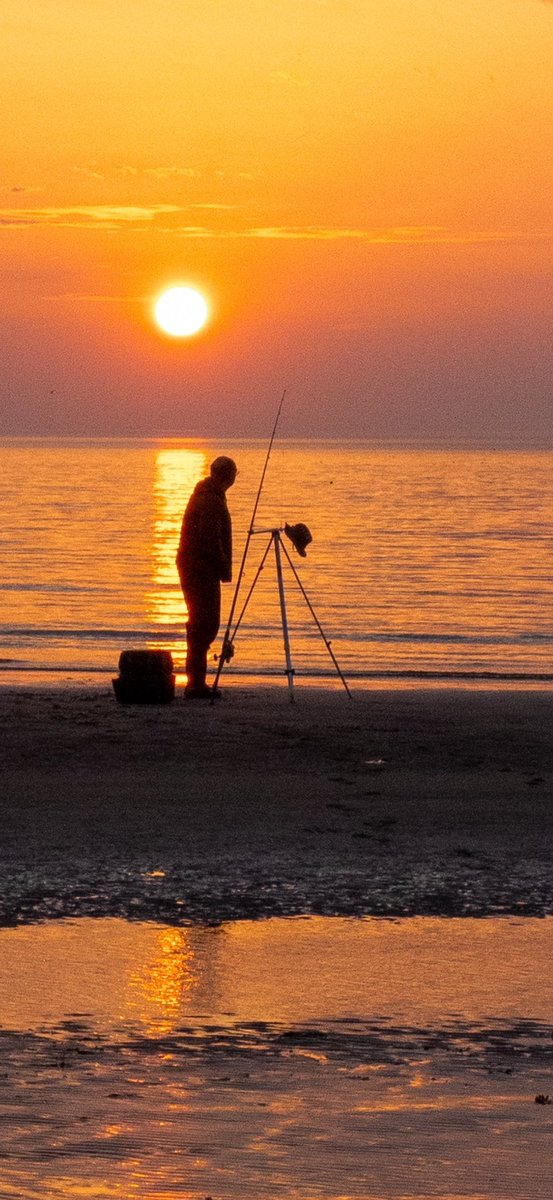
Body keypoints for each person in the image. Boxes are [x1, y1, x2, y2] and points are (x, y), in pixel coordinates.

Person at [176, 455, 237, 698]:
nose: (234, 479)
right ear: (226, 476)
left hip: (195, 567)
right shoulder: (211, 500)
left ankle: (196, 681)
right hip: (201, 569)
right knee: (205, 624)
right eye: (233, 474)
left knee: (201, 624)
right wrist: (224, 567)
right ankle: (195, 684)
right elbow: (210, 540)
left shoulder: (205, 495)